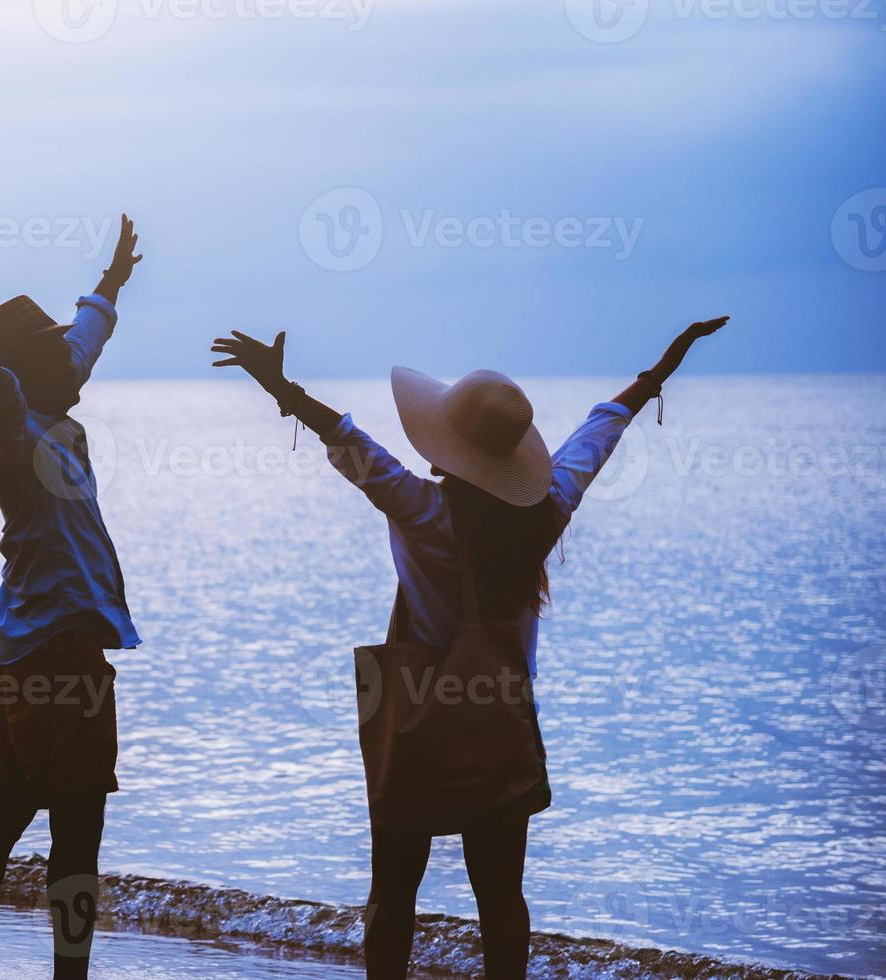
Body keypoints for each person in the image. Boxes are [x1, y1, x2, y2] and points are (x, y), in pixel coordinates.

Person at [209, 316, 731, 979]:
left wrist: (278, 385)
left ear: (443, 450)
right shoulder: (545, 513)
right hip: (496, 719)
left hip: (418, 718)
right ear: (511, 457)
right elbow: (600, 430)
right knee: (500, 897)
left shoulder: (421, 513)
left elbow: (345, 437)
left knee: (393, 892)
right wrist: (661, 369)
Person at [0, 215, 145, 980]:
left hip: (54, 654)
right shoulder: (8, 441)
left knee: (47, 824)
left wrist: (111, 280)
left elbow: (81, 344)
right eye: (53, 358)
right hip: (45, 657)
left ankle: (24, 972)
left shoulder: (52, 411)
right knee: (38, 823)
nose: (74, 365)